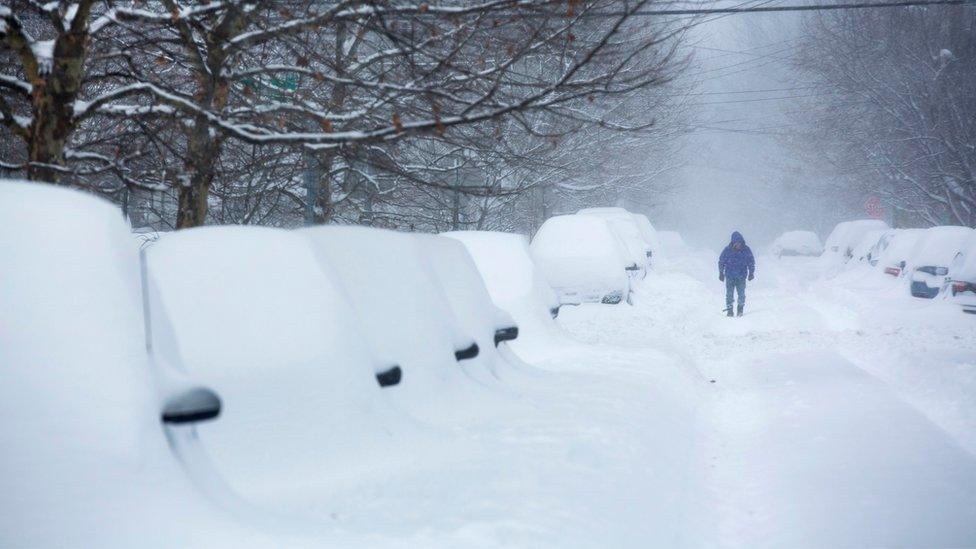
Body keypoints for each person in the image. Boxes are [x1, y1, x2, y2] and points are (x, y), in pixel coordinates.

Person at [718, 231, 755, 317]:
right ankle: (730, 310)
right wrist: (721, 272)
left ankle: (740, 309)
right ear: (733, 242)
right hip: (729, 276)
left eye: (739, 243)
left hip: (741, 277)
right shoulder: (727, 250)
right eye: (736, 243)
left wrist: (751, 273)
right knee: (729, 295)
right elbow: (721, 262)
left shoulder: (746, 250)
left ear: (742, 242)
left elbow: (751, 262)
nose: (738, 245)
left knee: (741, 294)